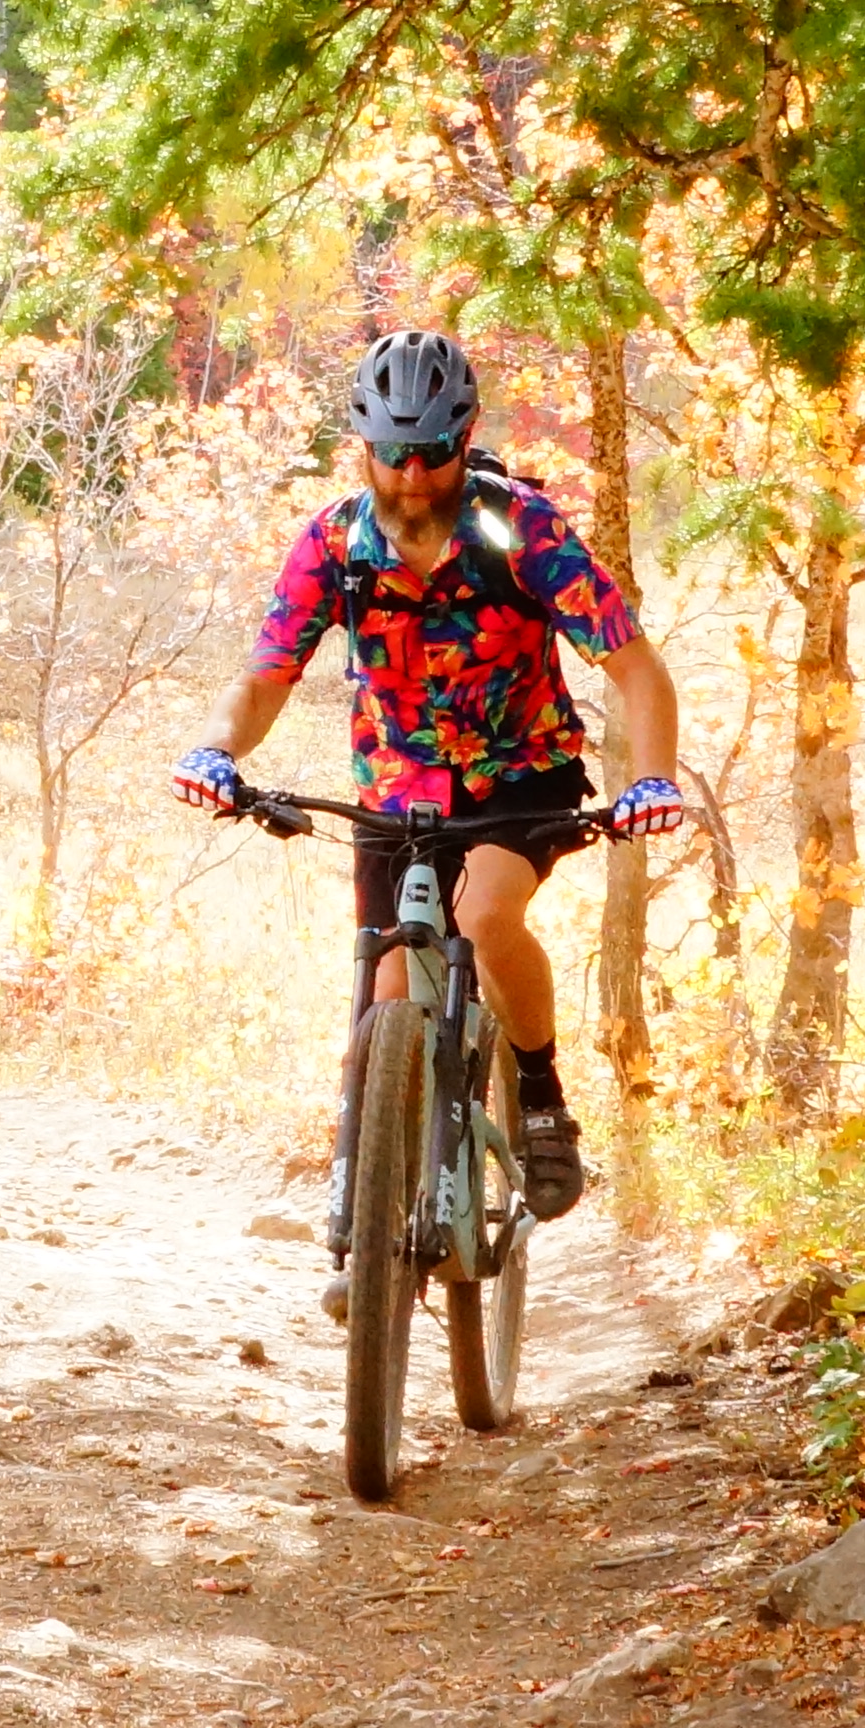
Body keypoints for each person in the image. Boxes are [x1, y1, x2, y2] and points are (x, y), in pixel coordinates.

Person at [174, 328, 692, 1225]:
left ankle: (541, 1099)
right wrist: (215, 751)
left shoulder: (522, 529)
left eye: (435, 452)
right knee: (380, 1013)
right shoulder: (334, 542)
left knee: (484, 915)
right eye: (394, 454)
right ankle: (374, 1237)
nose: (413, 476)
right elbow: (264, 678)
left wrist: (653, 780)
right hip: (396, 791)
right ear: (364, 444)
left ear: (468, 435)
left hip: (518, 774)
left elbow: (636, 668)